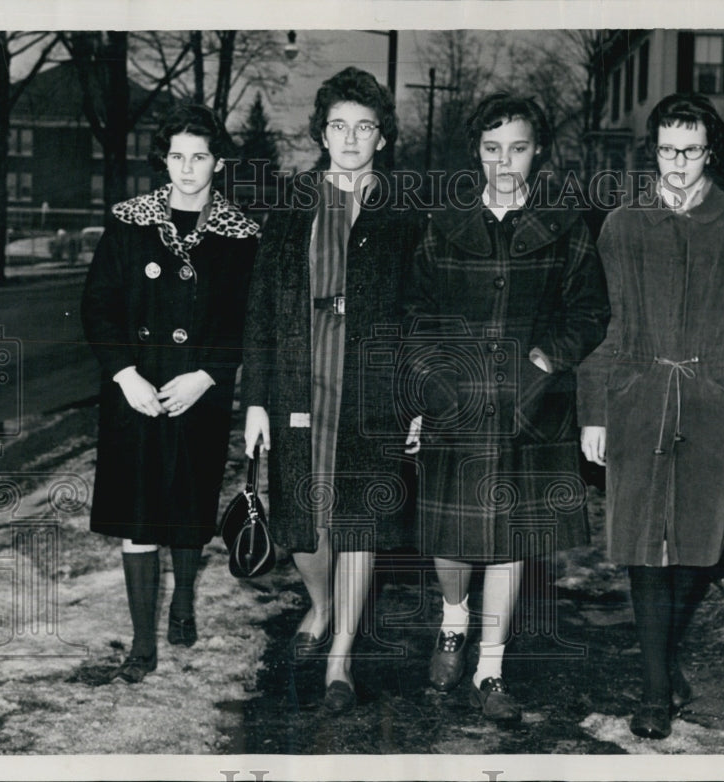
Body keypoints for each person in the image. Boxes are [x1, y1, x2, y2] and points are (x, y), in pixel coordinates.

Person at [577, 93, 724, 739]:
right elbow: (598, 325)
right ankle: (655, 688)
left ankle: (663, 660)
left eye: (690, 151)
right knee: (643, 547)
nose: (677, 164)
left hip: (714, 397)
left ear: (709, 151)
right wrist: (593, 411)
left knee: (696, 550)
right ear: (653, 150)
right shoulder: (621, 225)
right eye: (667, 150)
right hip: (637, 393)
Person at [404, 93, 608, 723]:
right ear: (477, 152)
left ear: (537, 149)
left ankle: (490, 670)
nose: (504, 162)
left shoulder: (566, 224)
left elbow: (590, 312)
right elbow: (415, 315)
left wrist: (547, 360)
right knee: (451, 540)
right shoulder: (443, 224)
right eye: (492, 149)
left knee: (509, 542)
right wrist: (433, 388)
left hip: (529, 409)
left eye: (517, 147)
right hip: (455, 404)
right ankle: (452, 622)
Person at [242, 67, 420, 714]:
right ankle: (320, 606)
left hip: (371, 391)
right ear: (322, 132)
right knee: (305, 527)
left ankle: (341, 654)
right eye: (338, 126)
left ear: (382, 137)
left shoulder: (402, 213)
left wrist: (415, 400)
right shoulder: (290, 205)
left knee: (361, 521)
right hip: (299, 382)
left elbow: (419, 315)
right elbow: (260, 308)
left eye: (364, 127)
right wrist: (256, 400)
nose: (350, 138)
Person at [82, 103, 260, 683]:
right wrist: (125, 374)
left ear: (218, 161)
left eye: (200, 156)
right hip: (135, 388)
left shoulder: (238, 235)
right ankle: (141, 645)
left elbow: (247, 319)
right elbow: (99, 306)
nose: (187, 169)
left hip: (197, 391)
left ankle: (183, 598)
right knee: (138, 518)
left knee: (187, 506)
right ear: (164, 158)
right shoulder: (130, 223)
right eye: (177, 156)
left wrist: (208, 375)